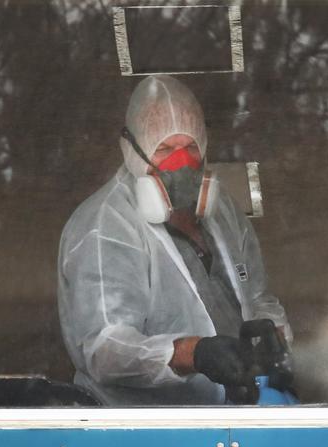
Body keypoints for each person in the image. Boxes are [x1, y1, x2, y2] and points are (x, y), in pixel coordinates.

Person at [58, 75, 291, 405]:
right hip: (148, 433)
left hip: (235, 418)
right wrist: (193, 353)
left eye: (190, 148)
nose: (181, 163)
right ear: (132, 151)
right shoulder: (105, 226)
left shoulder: (222, 210)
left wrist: (274, 338)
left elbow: (257, 295)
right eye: (164, 149)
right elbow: (105, 348)